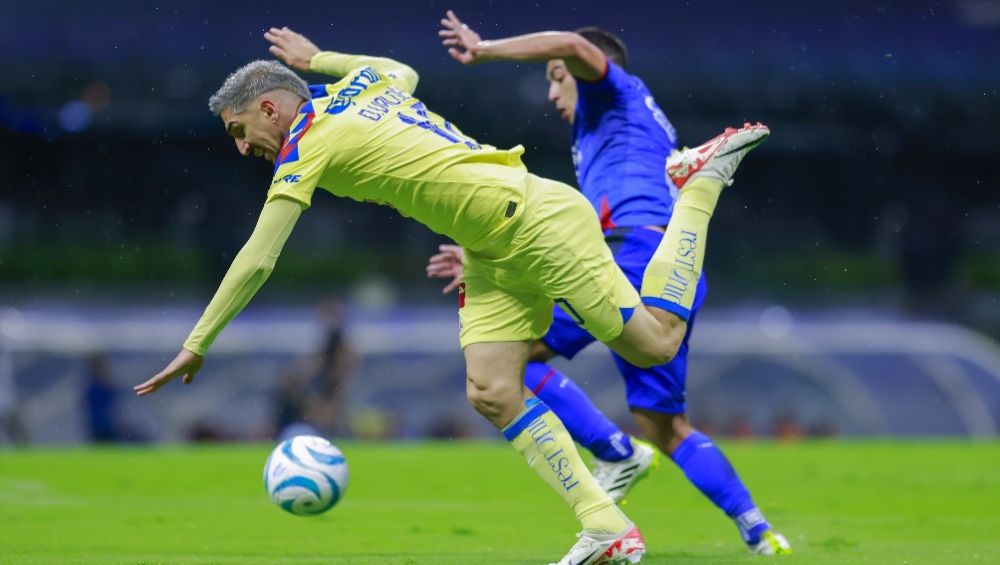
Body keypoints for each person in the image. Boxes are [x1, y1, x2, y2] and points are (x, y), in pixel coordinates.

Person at [133, 25, 768, 564]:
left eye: (240, 128)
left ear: (271, 109)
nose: (242, 145)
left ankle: (698, 185)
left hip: (536, 223)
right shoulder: (363, 86)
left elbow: (258, 257)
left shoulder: (307, 145)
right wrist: (319, 59)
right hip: (490, 247)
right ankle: (607, 527)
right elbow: (401, 70)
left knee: (655, 345)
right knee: (492, 388)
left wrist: (198, 342)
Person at [426, 11, 791, 556]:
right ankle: (761, 532)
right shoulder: (633, 126)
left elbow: (572, 43)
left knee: (507, 363)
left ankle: (616, 452)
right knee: (664, 425)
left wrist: (486, 49)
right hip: (672, 266)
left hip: (630, 255)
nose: (552, 93)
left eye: (557, 78)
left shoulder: (611, 93)